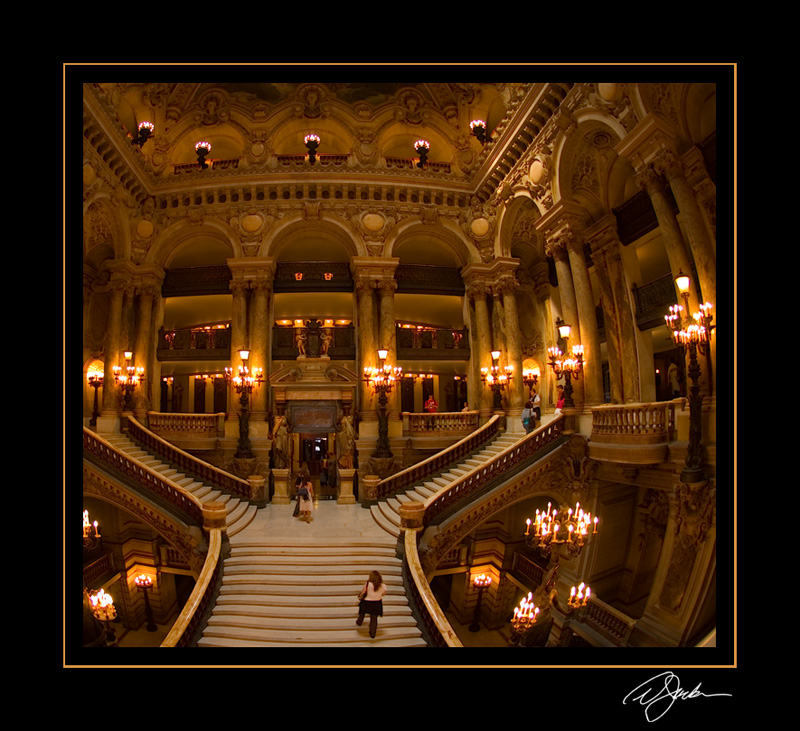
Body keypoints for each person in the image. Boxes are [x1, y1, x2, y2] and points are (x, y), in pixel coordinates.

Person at [357, 570, 387, 639]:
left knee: (362, 612)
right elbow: (383, 594)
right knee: (374, 619)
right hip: (377, 603)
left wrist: (360, 595)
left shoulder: (368, 584)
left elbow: (363, 591)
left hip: (367, 601)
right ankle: (372, 634)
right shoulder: (383, 586)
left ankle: (359, 621)